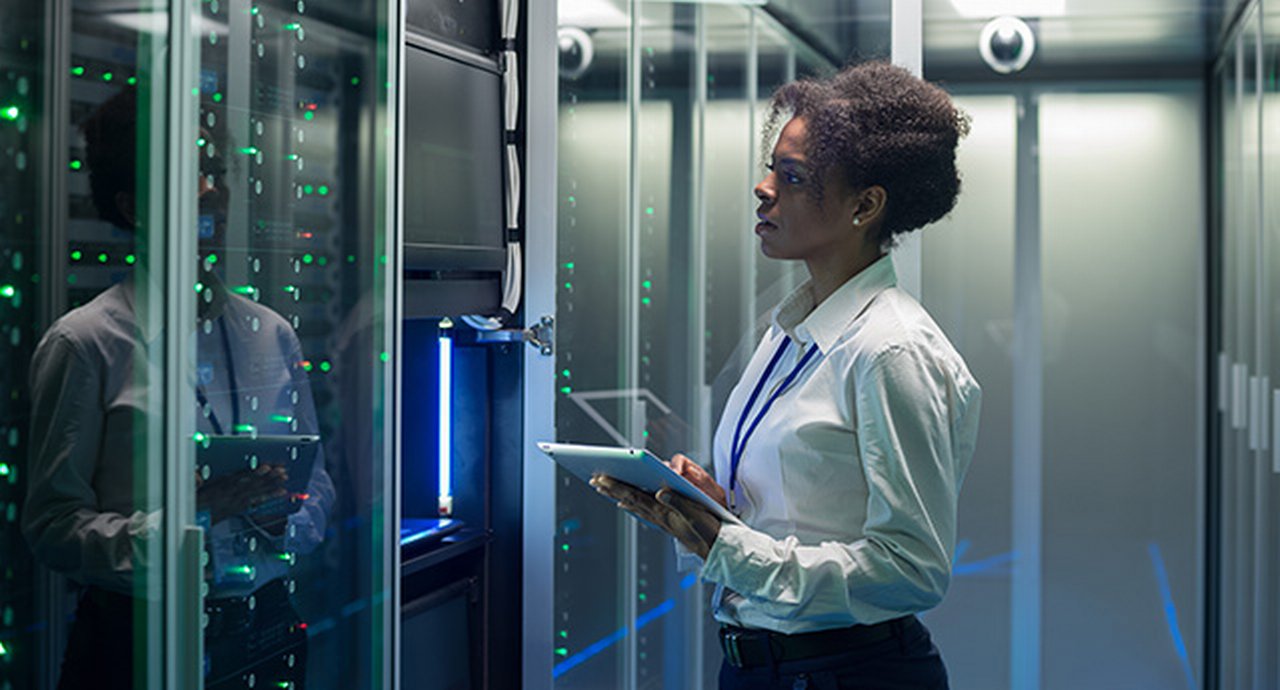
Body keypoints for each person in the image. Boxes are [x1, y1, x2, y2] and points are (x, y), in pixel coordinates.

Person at [592, 62, 981, 690]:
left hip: (850, 674)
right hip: (762, 667)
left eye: (792, 176)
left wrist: (730, 549)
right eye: (772, 166)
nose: (763, 187)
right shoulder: (792, 327)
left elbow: (912, 570)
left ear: (865, 205)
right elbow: (806, 515)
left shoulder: (891, 351)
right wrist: (714, 512)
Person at [21, 89, 333, 690]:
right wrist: (194, 517)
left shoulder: (271, 333)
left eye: (214, 169)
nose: (214, 189)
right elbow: (53, 528)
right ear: (134, 205)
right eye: (191, 173)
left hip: (266, 624)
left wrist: (282, 517)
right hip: (138, 637)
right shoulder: (87, 343)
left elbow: (317, 485)